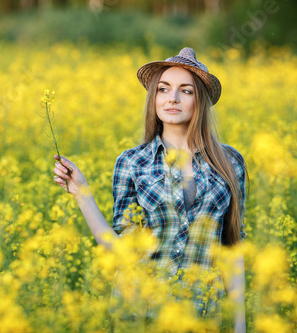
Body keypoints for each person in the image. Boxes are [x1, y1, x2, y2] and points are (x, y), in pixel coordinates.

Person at [53, 47, 247, 332]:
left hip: (204, 312)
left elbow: (233, 250)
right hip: (141, 310)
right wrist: (81, 191)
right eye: (164, 89)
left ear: (200, 101)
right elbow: (121, 250)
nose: (173, 98)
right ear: (154, 98)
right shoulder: (132, 162)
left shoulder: (230, 162)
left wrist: (240, 325)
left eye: (186, 91)